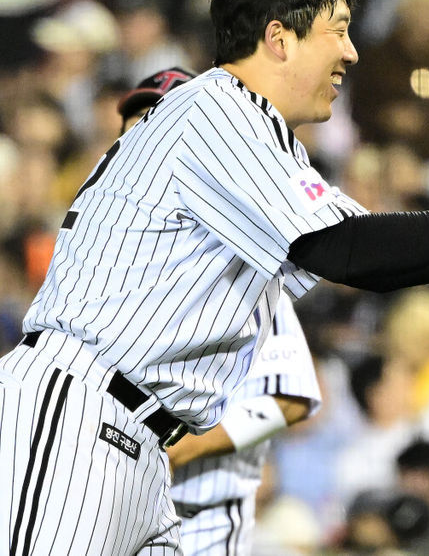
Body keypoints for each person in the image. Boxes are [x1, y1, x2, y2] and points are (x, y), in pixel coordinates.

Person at [0, 0, 429, 555]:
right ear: (279, 38)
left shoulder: (253, 131)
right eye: (337, 31)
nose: (352, 51)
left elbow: (376, 257)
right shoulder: (217, 110)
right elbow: (349, 252)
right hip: (83, 415)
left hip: (138, 444)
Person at [118, 67, 323, 556]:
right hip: (126, 512)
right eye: (132, 129)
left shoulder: (246, 264)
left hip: (205, 517)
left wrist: (181, 446)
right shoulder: (124, 261)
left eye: (152, 122)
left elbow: (289, 397)